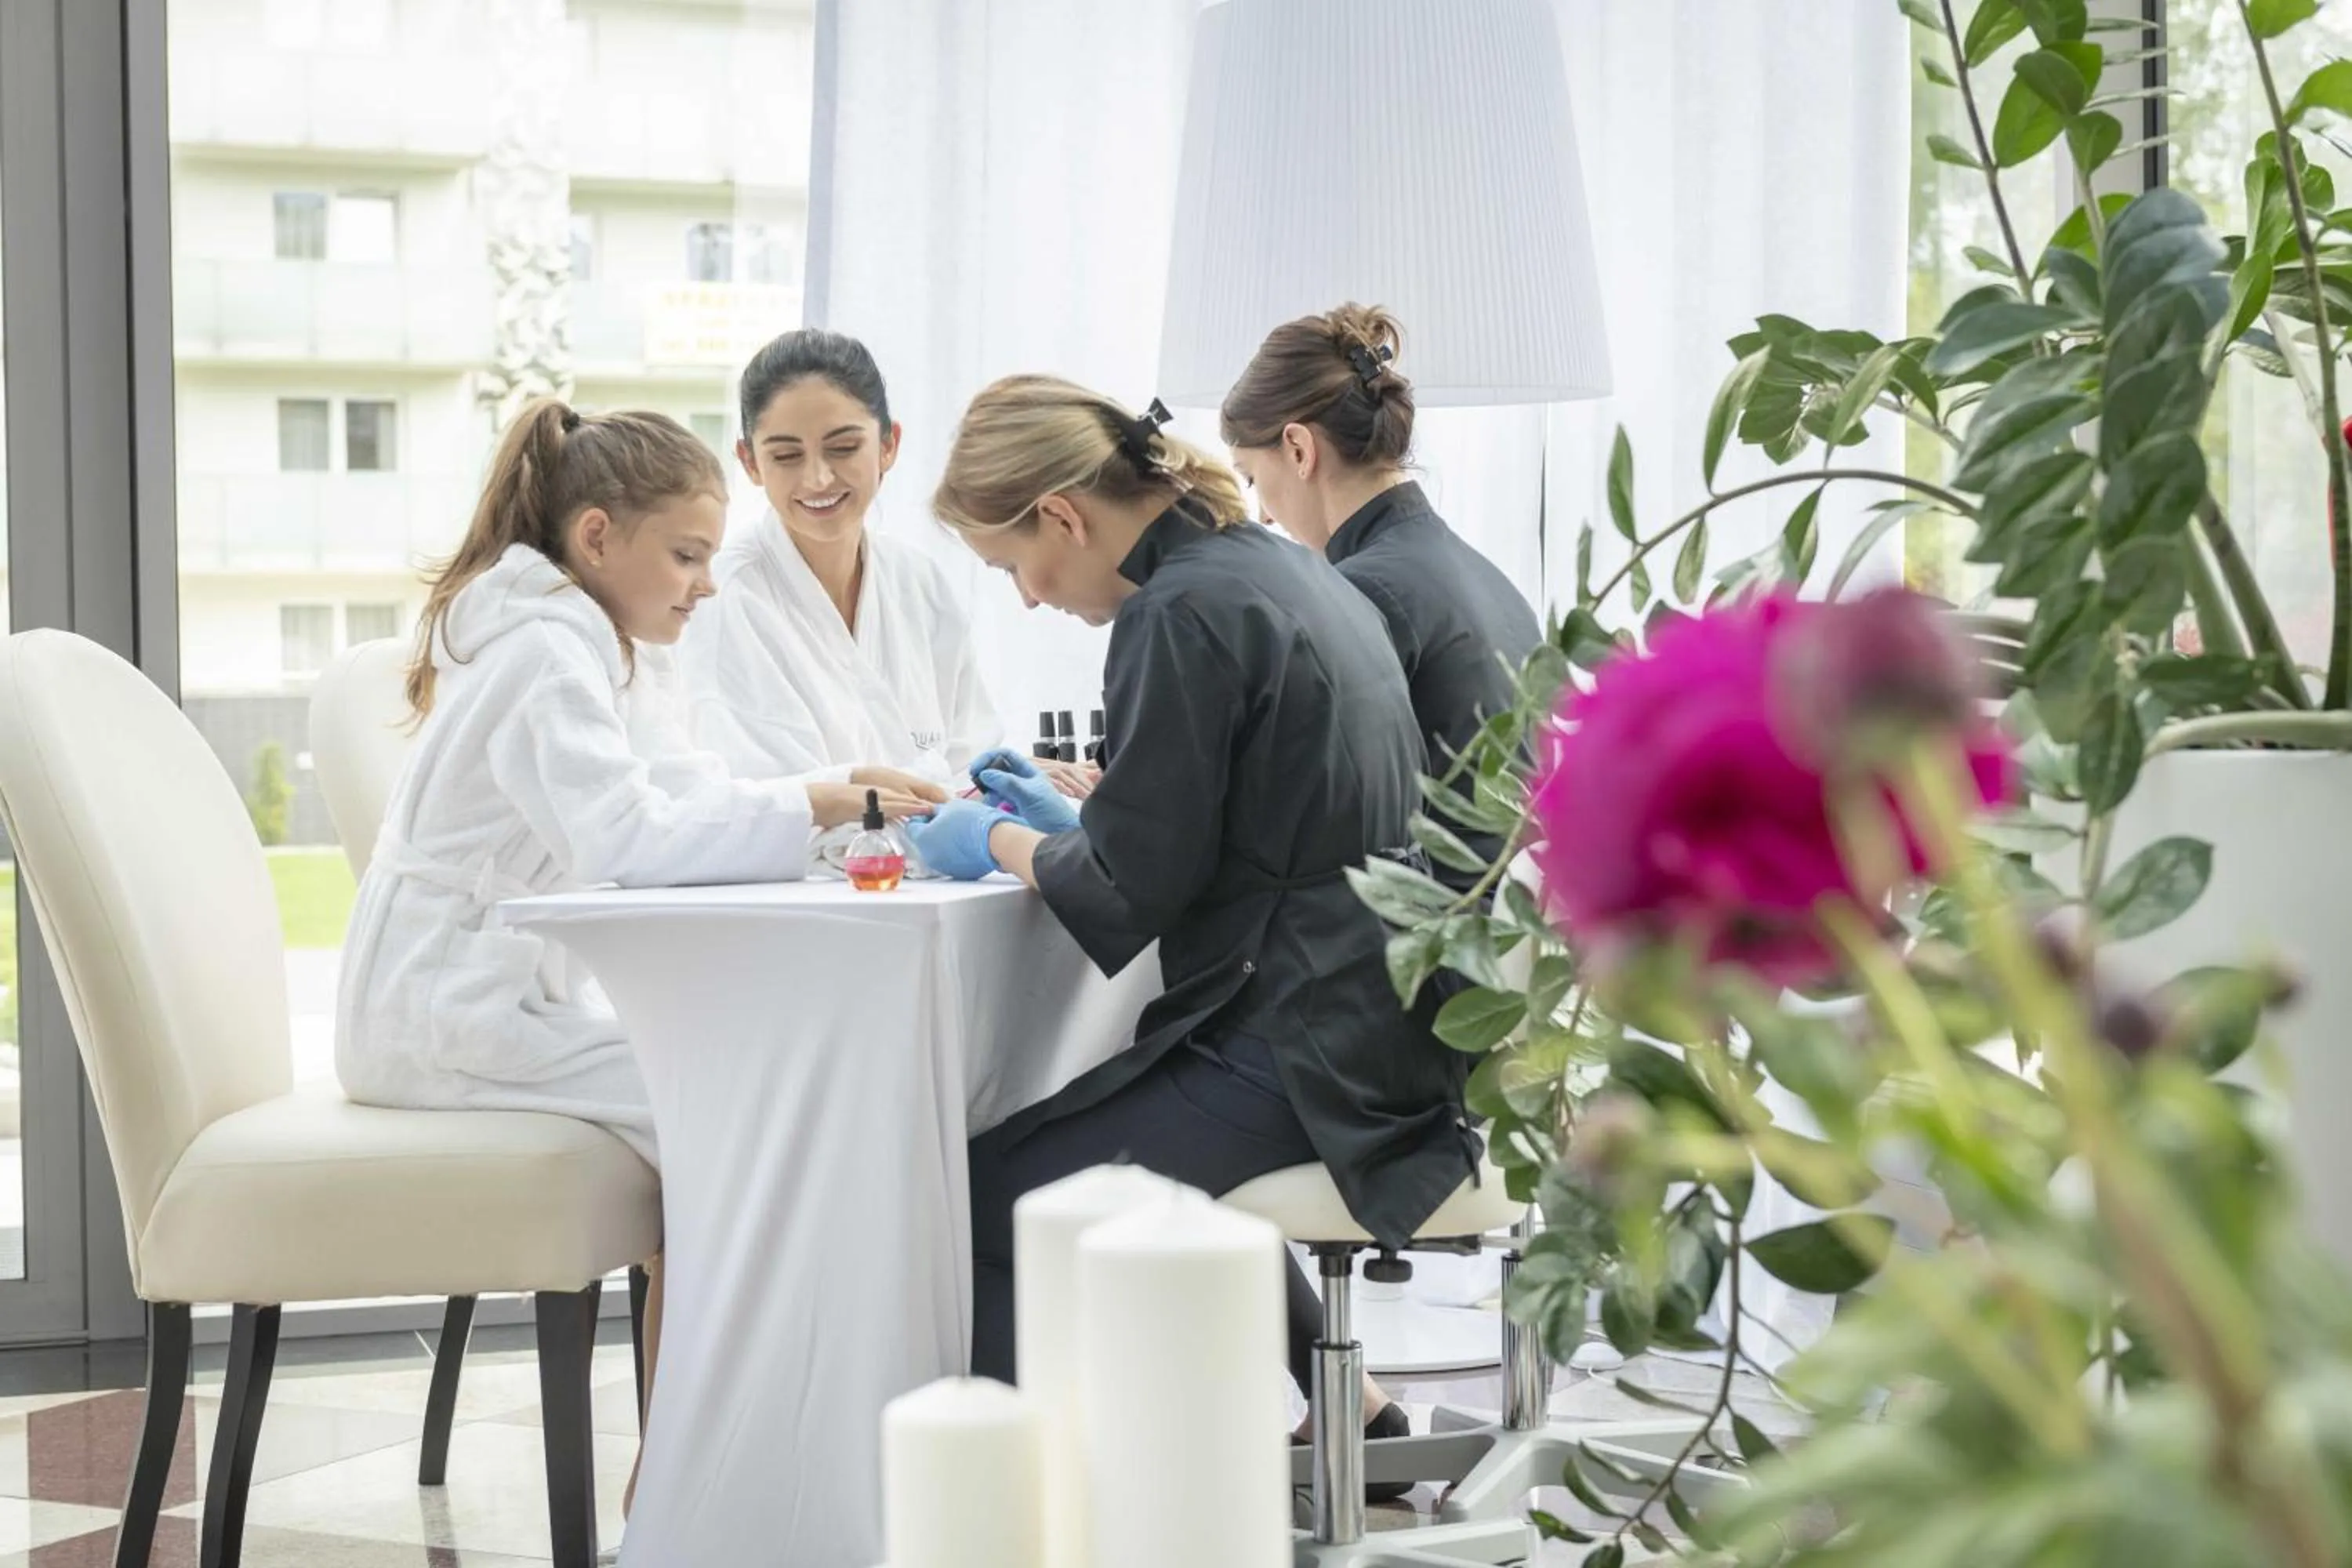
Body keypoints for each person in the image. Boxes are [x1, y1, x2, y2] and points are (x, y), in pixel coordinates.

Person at [336, 399, 938, 1520]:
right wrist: (806, 805)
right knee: (738, 1110)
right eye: (689, 555)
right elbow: (624, 843)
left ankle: (704, 1465)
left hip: (474, 1008)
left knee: (746, 1102)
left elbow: (667, 795)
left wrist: (812, 800)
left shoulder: (579, 643)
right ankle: (688, 1483)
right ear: (599, 538)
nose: (706, 585)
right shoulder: (544, 656)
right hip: (441, 1020)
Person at [906, 376, 1478, 1458]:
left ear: (1064, 517)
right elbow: (1233, 825)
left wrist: (991, 841)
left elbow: (1133, 891)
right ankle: (1357, 1417)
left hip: (1302, 1044)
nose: (1027, 598)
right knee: (1136, 1146)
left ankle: (1075, 1521)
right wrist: (1067, 825)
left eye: (1011, 566)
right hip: (1387, 1022)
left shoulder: (1174, 612)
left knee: (984, 1206)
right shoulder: (1272, 569)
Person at [684, 328, 1093, 800]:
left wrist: (1007, 779)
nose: (817, 478)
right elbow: (765, 804)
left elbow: (970, 761)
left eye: (843, 448)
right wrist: (968, 791)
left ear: (888, 445)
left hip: (938, 870)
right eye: (786, 455)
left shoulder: (919, 583)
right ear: (750, 462)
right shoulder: (723, 598)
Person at [1223, 304, 1541, 890]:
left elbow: (1300, 814)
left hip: (1431, 950)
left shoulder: (1361, 591)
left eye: (1249, 478)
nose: (1262, 514)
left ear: (1297, 449)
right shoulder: (1485, 575)